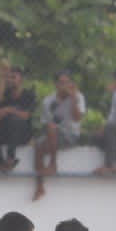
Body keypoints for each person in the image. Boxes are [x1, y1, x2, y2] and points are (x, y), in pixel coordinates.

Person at [33, 71, 85, 200]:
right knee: (38, 145)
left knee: (51, 129)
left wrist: (73, 99)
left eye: (67, 82)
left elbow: (78, 118)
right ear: (56, 84)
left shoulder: (78, 96)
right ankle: (39, 186)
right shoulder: (48, 101)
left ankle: (53, 164)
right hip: (54, 135)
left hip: (71, 135)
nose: (65, 85)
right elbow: (46, 123)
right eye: (61, 83)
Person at [0, 64, 36, 174]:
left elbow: (26, 115)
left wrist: (8, 110)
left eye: (14, 77)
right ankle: (1, 163)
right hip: (7, 133)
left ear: (21, 80)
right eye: (9, 77)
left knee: (14, 120)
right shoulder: (6, 95)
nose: (11, 80)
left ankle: (10, 158)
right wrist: (2, 78)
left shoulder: (28, 94)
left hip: (22, 134)